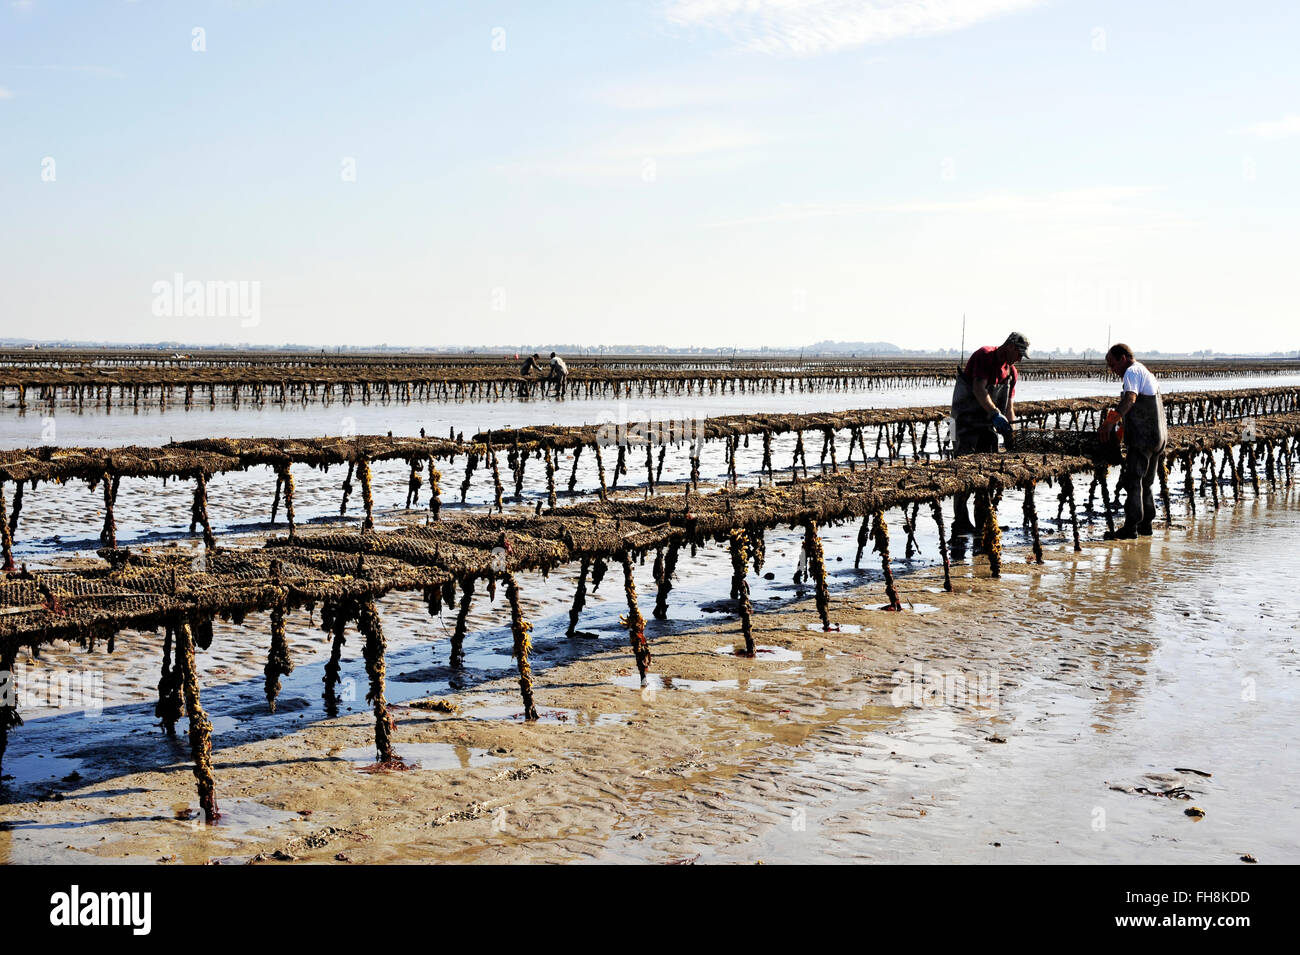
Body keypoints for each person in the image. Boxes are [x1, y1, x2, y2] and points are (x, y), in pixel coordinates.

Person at [950, 332, 1029, 534]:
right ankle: (960, 522)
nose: (1019, 359)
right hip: (959, 423)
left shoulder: (1012, 372)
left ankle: (984, 521)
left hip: (986, 425)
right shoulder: (985, 355)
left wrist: (1012, 431)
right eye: (1019, 354)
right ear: (1009, 346)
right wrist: (995, 413)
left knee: (988, 472)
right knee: (962, 472)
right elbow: (978, 389)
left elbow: (1009, 405)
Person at [1100, 343, 1167, 539]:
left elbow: (1130, 399)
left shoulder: (1132, 372)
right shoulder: (1145, 372)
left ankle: (1131, 527)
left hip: (1143, 439)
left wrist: (1109, 422)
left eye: (1113, 365)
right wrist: (1122, 430)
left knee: (1134, 481)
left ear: (1123, 358)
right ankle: (1146, 525)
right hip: (1158, 437)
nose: (1113, 371)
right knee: (1147, 482)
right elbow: (1141, 410)